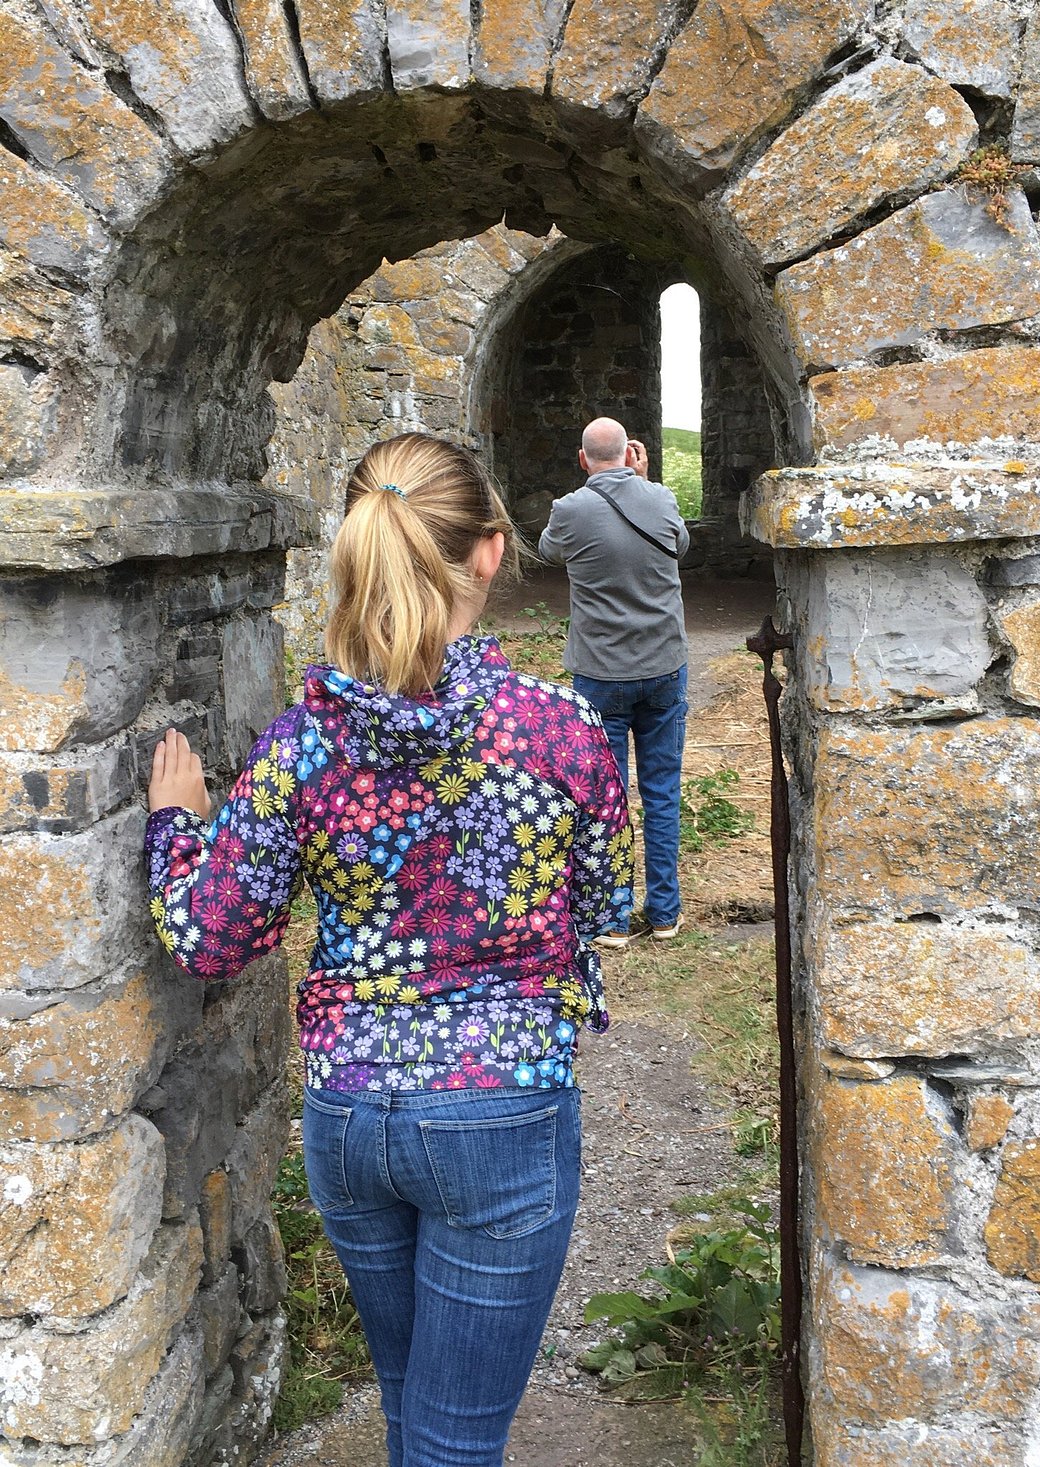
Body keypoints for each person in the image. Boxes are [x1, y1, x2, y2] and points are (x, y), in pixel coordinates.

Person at [144, 432, 633, 1467]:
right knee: (454, 1440)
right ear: (489, 552)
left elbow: (211, 936)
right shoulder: (562, 730)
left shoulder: (305, 742)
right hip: (501, 1108)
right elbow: (603, 900)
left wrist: (177, 828)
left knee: (414, 1408)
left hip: (352, 1114)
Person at [538, 416, 689, 947]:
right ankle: (665, 912)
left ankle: (611, 918)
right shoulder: (661, 499)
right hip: (664, 664)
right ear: (630, 454)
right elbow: (681, 545)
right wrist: (644, 482)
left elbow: (548, 552)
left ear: (583, 460)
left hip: (599, 670)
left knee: (605, 794)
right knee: (662, 789)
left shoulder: (568, 510)